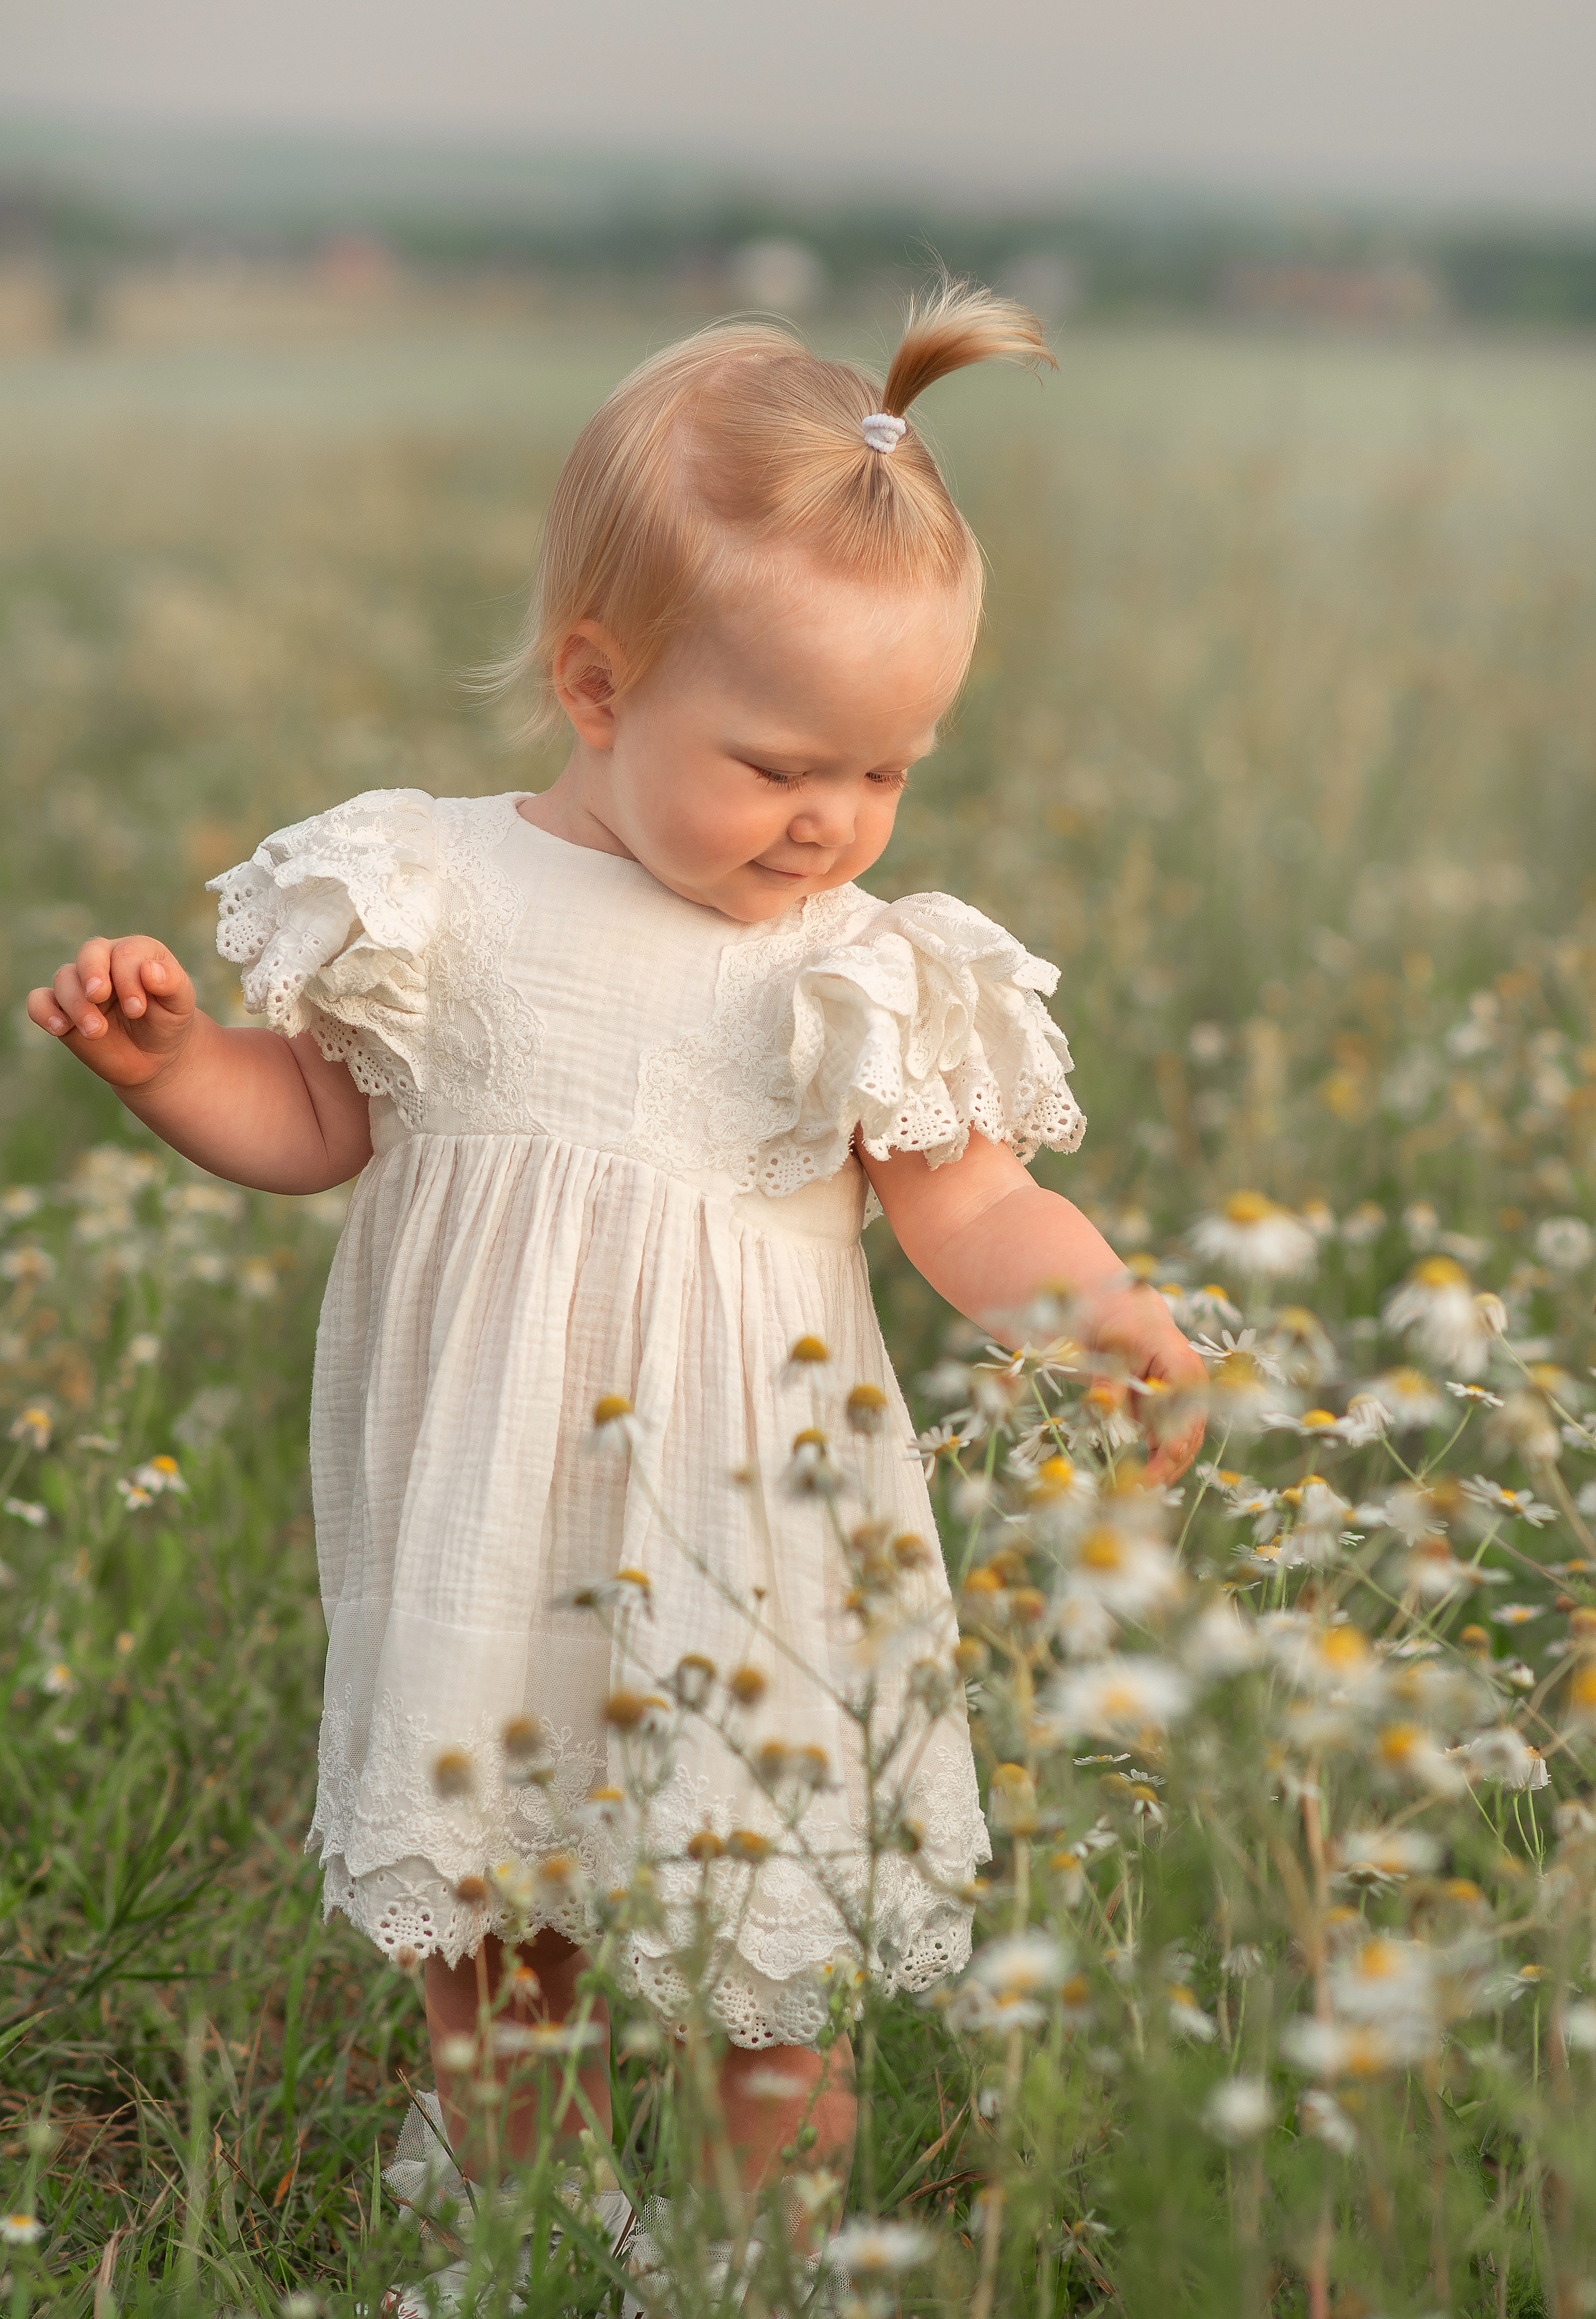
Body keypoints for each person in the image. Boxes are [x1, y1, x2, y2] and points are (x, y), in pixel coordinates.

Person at [26, 281, 1206, 2293]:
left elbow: (968, 1199)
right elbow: (319, 1121)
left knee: (778, 1950)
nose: (835, 820)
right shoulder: (439, 892)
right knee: (506, 1923)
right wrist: (168, 1072)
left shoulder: (848, 956)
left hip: (762, 1537)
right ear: (597, 681)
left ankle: (761, 2245)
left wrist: (1093, 1311)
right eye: (778, 763)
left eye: (889, 770)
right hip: (499, 1514)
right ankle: (522, 2220)